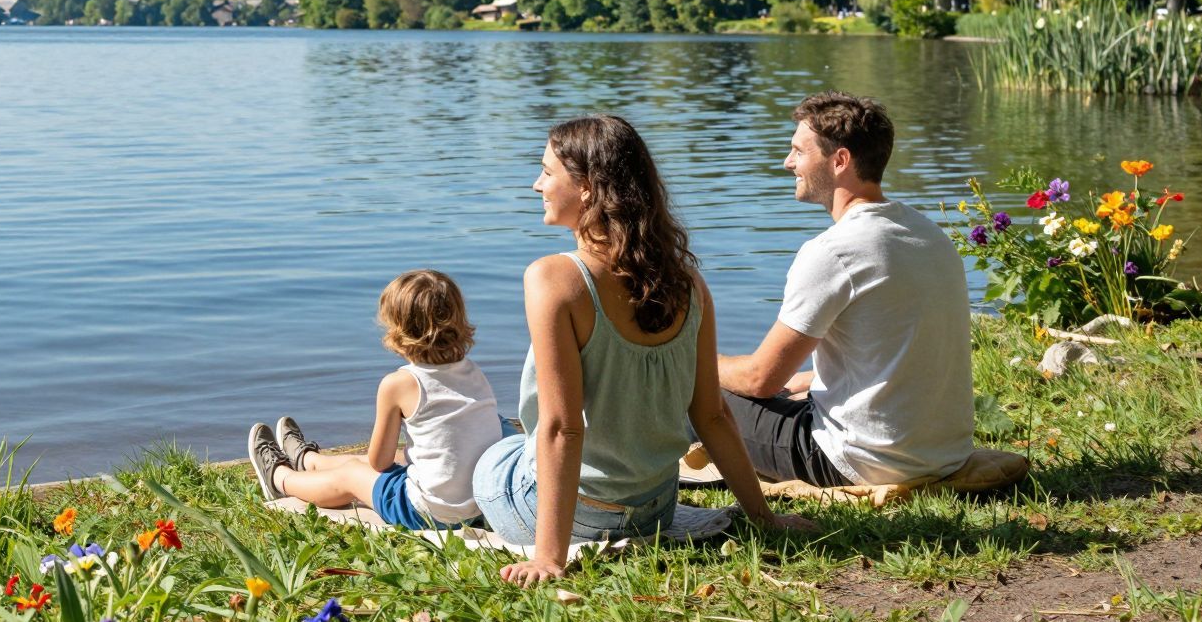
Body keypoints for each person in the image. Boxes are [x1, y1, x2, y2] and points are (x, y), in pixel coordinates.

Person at [473, 115, 814, 587]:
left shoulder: (553, 278)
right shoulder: (689, 283)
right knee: (514, 442)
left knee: (491, 458)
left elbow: (561, 428)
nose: (536, 185)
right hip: (654, 509)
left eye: (547, 172)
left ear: (588, 187)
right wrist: (764, 518)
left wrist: (550, 556)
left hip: (582, 516)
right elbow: (712, 415)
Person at [716, 91, 974, 487]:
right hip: (944, 454)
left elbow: (758, 380)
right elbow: (884, 362)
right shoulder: (928, 234)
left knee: (692, 392)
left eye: (799, 152)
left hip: (857, 461)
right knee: (784, 387)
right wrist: (800, 384)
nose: (788, 163)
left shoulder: (833, 252)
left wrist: (693, 363)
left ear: (840, 161)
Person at [247, 269, 504, 531]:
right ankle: (309, 462)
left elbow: (378, 463)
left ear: (399, 329)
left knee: (352, 475)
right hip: (476, 505)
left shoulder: (399, 384)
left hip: (428, 512)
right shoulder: (473, 371)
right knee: (400, 457)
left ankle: (279, 479)